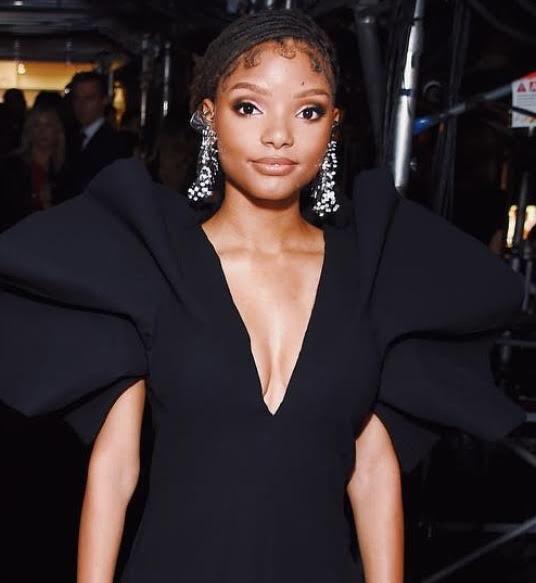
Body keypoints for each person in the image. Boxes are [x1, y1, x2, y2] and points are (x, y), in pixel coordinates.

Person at [0, 10, 526, 583]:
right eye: (249, 107)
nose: (279, 135)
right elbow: (114, 468)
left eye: (308, 111)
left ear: (333, 125)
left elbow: (374, 470)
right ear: (209, 116)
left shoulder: (370, 270)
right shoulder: (157, 262)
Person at [61, 71, 132, 198]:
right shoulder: (72, 137)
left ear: (104, 100)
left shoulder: (115, 144)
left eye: (89, 98)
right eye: (77, 98)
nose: (81, 105)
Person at [0, 105, 66, 232]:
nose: (42, 131)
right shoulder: (11, 167)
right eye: (36, 125)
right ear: (29, 131)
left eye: (48, 125)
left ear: (58, 131)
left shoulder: (65, 170)